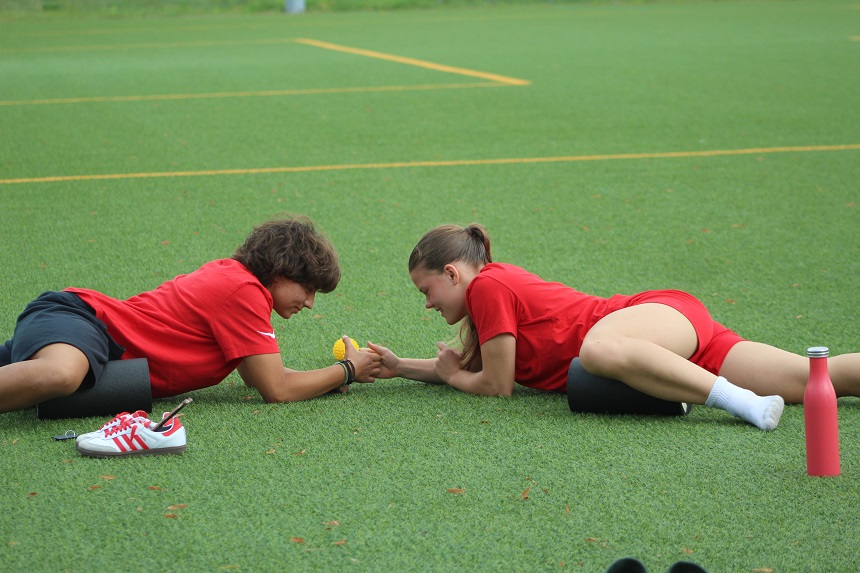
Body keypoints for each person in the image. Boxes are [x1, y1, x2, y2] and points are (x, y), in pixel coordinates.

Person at [368, 224, 860, 431]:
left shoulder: (487, 287)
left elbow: (494, 386)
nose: (428, 304)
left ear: (452, 274)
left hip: (655, 320)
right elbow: (465, 367)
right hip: (665, 350)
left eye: (426, 291)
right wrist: (399, 367)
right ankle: (736, 394)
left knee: (596, 350)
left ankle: (741, 403)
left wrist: (455, 377)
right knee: (813, 378)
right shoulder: (485, 304)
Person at [0, 215, 382, 414]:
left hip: (92, 345)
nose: (310, 303)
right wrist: (349, 370)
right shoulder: (243, 290)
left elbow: (259, 378)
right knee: (60, 375)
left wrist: (330, 379)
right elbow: (277, 391)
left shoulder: (242, 287)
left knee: (54, 377)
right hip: (84, 322)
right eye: (309, 289)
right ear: (280, 272)